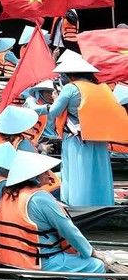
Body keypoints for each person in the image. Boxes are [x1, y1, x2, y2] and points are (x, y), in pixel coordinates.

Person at [0, 150, 111, 280]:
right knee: (97, 266)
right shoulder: (39, 198)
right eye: (44, 171)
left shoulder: (7, 194)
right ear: (34, 176)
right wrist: (92, 252)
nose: (48, 174)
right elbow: (68, 229)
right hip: (39, 262)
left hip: (7, 259)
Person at [44, 50, 128, 206]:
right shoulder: (101, 88)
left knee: (78, 172)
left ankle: (79, 205)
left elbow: (54, 111)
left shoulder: (70, 88)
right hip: (98, 137)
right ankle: (101, 203)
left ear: (69, 74)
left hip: (77, 139)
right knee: (98, 172)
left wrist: (56, 98)